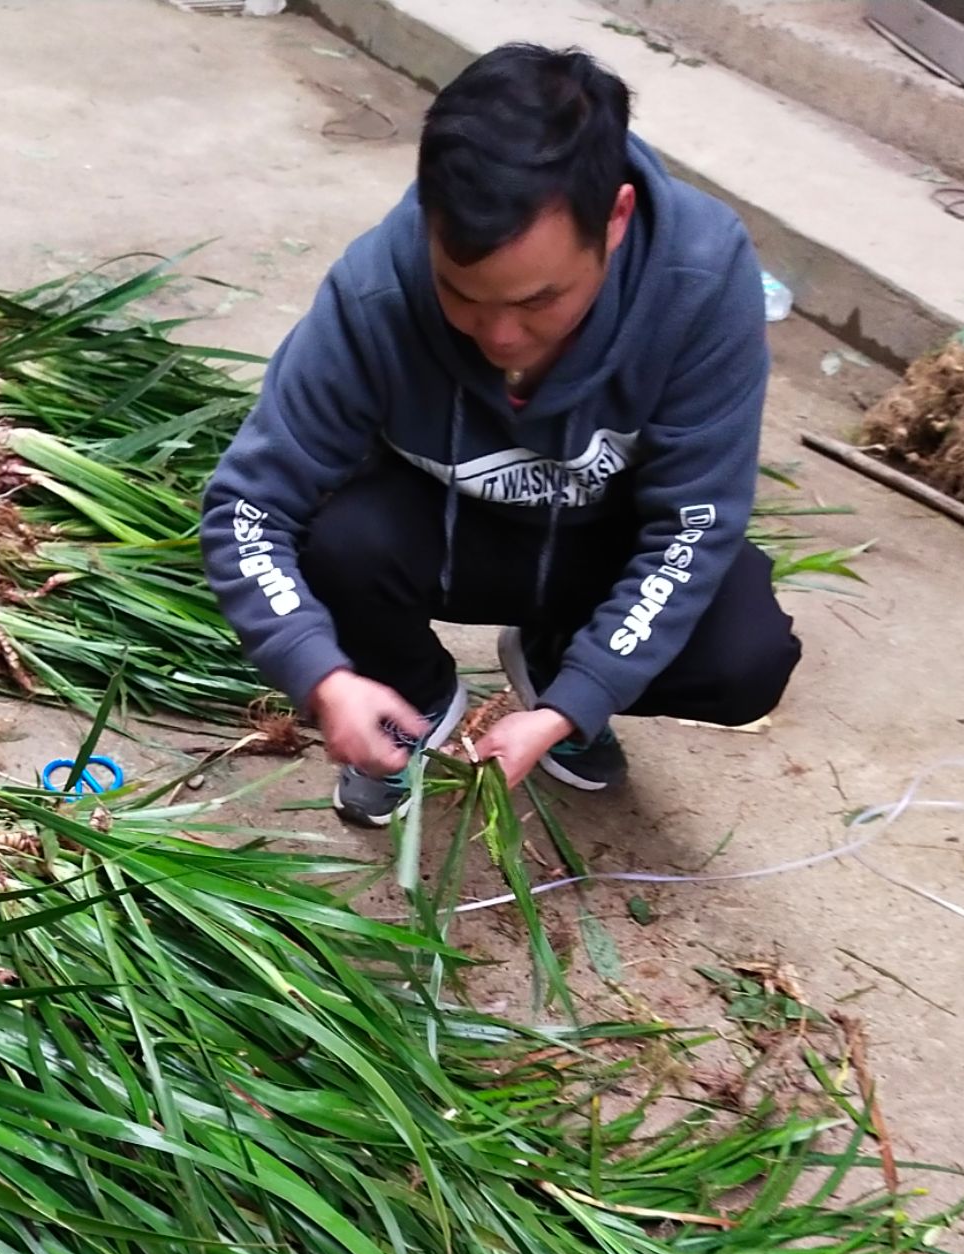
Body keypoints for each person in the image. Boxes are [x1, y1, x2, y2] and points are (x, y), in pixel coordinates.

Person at [200, 42, 802, 827]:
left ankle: (554, 661)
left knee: (743, 656)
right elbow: (246, 510)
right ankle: (410, 703)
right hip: (441, 537)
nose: (501, 336)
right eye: (461, 293)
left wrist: (573, 702)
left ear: (614, 219)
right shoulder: (376, 288)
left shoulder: (701, 279)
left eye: (539, 301)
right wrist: (323, 679)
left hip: (596, 546)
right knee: (333, 539)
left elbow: (693, 526)